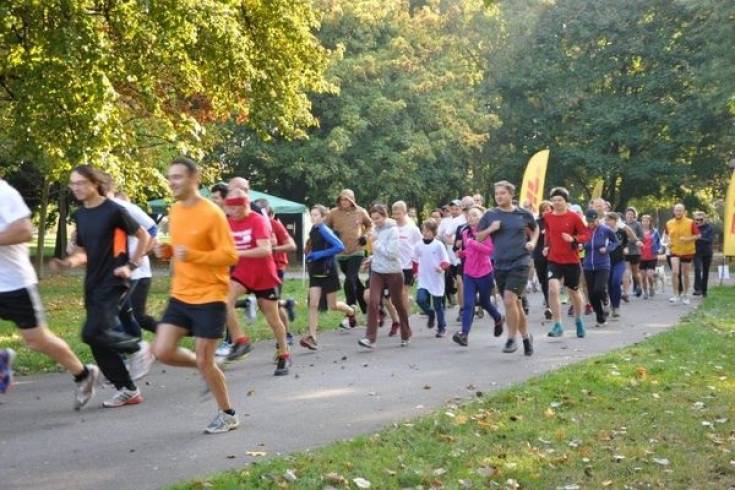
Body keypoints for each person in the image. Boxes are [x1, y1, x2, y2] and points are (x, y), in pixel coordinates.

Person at [151, 157, 240, 434]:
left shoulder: (212, 213)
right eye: (170, 177)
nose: (172, 182)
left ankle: (227, 414)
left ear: (194, 179)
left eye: (177, 177)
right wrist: (166, 251)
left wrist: (194, 255)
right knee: (162, 350)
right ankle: (205, 367)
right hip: (181, 294)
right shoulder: (175, 210)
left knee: (205, 359)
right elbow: (179, 247)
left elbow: (230, 255)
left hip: (211, 295)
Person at [51, 165, 150, 408]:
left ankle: (138, 346)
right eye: (73, 183)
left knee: (91, 332)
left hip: (114, 281)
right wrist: (67, 263)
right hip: (93, 281)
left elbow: (145, 237)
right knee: (96, 339)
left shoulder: (113, 210)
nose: (76, 187)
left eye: (81, 183)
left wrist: (131, 265)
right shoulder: (80, 215)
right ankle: (127, 389)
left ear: (95, 183)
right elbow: (83, 253)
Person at [0, 177, 100, 404]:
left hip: (15, 283)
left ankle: (83, 373)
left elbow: (24, 231)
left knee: (37, 340)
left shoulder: (4, 194)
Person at [225, 189, 291, 376]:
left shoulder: (258, 221)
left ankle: (284, 354)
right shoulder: (229, 222)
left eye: (236, 208)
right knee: (224, 300)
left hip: (264, 274)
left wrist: (237, 254)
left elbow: (265, 250)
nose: (232, 212)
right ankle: (240, 341)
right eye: (230, 208)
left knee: (273, 318)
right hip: (243, 273)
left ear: (245, 205)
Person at [103, 177, 158, 381]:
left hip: (133, 271)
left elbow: (151, 229)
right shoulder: (97, 211)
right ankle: (136, 353)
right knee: (126, 315)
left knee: (108, 314)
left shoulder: (123, 207)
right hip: (112, 272)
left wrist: (139, 257)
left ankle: (135, 350)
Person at [476, 181, 538, 355]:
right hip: (500, 263)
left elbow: (535, 229)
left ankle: (511, 339)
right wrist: (491, 228)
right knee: (515, 304)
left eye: (503, 193)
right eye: (497, 194)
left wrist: (532, 242)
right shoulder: (490, 215)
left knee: (510, 300)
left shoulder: (523, 214)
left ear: (511, 195)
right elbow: (479, 237)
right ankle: (526, 337)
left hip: (520, 261)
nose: (499, 196)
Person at [301, 205, 356, 350]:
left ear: (323, 217)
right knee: (313, 304)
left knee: (332, 305)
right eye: (311, 215)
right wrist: (310, 254)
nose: (313, 218)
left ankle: (351, 312)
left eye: (316, 215)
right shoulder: (314, 230)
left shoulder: (324, 230)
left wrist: (319, 255)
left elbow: (339, 247)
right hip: (316, 272)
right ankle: (312, 337)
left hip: (328, 271)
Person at [358, 204, 412, 349]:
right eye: (373, 218)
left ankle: (406, 334)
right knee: (373, 301)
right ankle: (370, 338)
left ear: (385, 216)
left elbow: (391, 253)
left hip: (393, 272)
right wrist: (370, 260)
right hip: (377, 272)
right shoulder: (374, 229)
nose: (376, 221)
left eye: (378, 218)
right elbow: (378, 253)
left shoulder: (393, 230)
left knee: (398, 302)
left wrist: (375, 243)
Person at [452, 207, 504, 347]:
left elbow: (490, 251)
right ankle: (464, 335)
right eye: (469, 215)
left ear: (481, 218)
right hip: (469, 273)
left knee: (485, 302)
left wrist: (473, 244)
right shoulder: (464, 232)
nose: (470, 217)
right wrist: (462, 253)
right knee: (468, 304)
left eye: (474, 215)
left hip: (484, 273)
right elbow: (469, 250)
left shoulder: (486, 233)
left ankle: (498, 318)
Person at [543, 188, 589, 338]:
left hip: (571, 260)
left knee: (574, 291)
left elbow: (585, 235)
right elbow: (548, 234)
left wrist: (573, 239)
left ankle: (579, 320)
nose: (556, 203)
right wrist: (546, 247)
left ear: (566, 202)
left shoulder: (574, 217)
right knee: (553, 289)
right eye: (554, 200)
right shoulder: (548, 217)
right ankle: (558, 324)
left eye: (560, 200)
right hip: (553, 259)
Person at [253, 198, 297, 343]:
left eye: (263, 213)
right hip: (259, 268)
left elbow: (292, 246)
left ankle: (287, 334)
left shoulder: (274, 224)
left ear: (269, 213)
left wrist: (273, 248)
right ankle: (287, 304)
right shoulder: (252, 224)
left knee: (273, 305)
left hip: (276, 267)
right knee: (263, 304)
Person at [325, 189, 372, 317]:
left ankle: (350, 312)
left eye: (347, 199)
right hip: (340, 253)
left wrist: (365, 236)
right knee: (354, 281)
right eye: (342, 199)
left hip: (357, 251)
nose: (344, 202)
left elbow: (370, 225)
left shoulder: (361, 212)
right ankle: (368, 309)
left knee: (349, 281)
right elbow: (324, 227)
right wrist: (330, 237)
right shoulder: (333, 213)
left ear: (352, 200)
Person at [581, 209, 619, 328]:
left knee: (599, 289)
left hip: (603, 264)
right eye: (589, 221)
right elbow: (579, 242)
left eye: (593, 221)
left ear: (597, 219)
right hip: (588, 265)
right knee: (592, 294)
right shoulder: (584, 231)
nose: (591, 223)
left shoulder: (605, 230)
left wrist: (607, 249)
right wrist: (580, 245)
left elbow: (616, 242)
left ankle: (606, 299)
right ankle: (600, 317)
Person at [413, 220, 449, 334]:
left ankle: (441, 327)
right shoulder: (418, 245)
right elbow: (414, 260)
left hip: (436, 278)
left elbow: (446, 261)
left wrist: (441, 268)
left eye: (428, 231)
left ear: (434, 232)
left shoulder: (438, 245)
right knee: (420, 299)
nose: (425, 233)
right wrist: (415, 272)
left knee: (438, 305)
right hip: (423, 278)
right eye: (424, 230)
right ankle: (430, 313)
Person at [391, 201, 422, 337]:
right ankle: (402, 315)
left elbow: (419, 246)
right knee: (394, 296)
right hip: (393, 266)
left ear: (405, 213)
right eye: (394, 214)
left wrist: (417, 267)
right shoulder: (391, 227)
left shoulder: (412, 228)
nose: (396, 216)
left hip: (407, 266)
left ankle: (405, 324)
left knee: (403, 293)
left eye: (399, 214)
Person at [665, 203, 699, 305]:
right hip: (674, 250)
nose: (678, 212)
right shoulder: (669, 223)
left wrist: (687, 239)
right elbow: (666, 236)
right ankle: (675, 294)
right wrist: (668, 242)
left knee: (685, 274)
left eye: (680, 210)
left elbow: (698, 235)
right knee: (675, 272)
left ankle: (685, 294)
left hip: (687, 251)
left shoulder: (690, 222)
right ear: (674, 212)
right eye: (676, 210)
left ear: (684, 212)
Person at [438, 199, 466, 308]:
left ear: (461, 209)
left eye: (457, 209)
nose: (454, 211)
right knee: (456, 281)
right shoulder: (446, 221)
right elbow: (441, 235)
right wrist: (450, 242)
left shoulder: (464, 220)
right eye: (452, 209)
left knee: (460, 282)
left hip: (461, 256)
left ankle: (463, 308)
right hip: (449, 257)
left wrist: (458, 244)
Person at [605, 213, 628, 319]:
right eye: (607, 220)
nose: (608, 222)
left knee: (616, 281)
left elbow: (625, 243)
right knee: (609, 284)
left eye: (610, 220)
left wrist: (626, 248)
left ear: (615, 220)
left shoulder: (621, 232)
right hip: (607, 261)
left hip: (619, 261)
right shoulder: (604, 232)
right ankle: (611, 306)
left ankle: (617, 307)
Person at [533, 200, 553, 320]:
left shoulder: (555, 221)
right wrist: (541, 233)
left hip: (552, 255)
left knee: (550, 280)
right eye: (544, 209)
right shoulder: (537, 223)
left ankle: (550, 305)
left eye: (549, 209)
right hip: (539, 255)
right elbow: (531, 236)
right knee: (543, 280)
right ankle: (548, 302)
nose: (547, 211)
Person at [622, 207, 644, 299]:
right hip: (625, 251)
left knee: (635, 272)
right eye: (628, 214)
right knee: (626, 272)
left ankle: (639, 286)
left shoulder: (638, 224)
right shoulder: (622, 225)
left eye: (631, 214)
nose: (630, 216)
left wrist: (633, 240)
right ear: (625, 215)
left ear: (634, 215)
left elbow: (641, 237)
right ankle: (626, 293)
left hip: (635, 251)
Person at [639, 214, 662, 299]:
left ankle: (651, 287)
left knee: (649, 275)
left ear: (650, 222)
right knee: (643, 276)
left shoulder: (655, 231)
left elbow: (659, 242)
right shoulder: (639, 231)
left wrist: (660, 249)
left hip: (652, 256)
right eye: (643, 221)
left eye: (647, 221)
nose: (645, 222)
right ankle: (645, 292)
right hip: (641, 257)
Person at [693, 212, 713, 297]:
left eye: (700, 219)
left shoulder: (709, 228)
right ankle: (698, 289)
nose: (698, 221)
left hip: (707, 253)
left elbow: (709, 240)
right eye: (696, 220)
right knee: (697, 269)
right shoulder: (693, 228)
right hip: (696, 252)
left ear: (705, 219)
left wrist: (698, 238)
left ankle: (704, 291)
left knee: (705, 272)